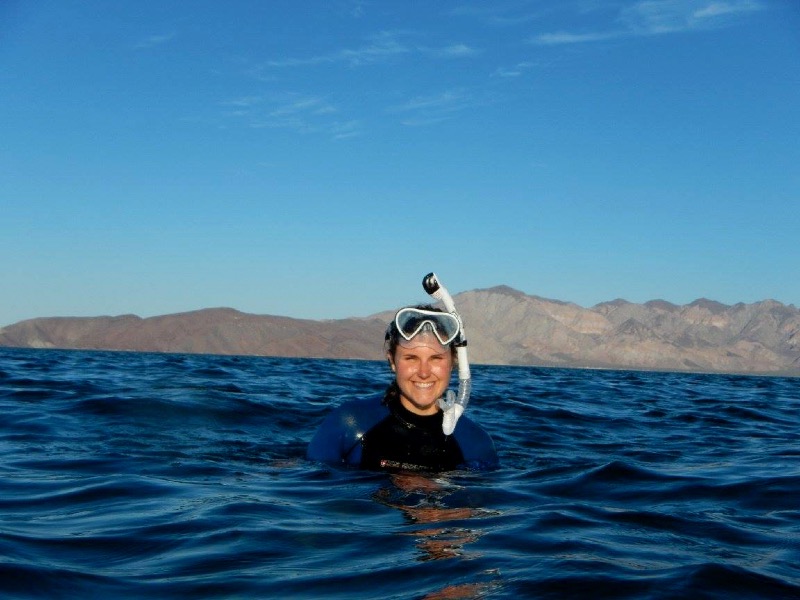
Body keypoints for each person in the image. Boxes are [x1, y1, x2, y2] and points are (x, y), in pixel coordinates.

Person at [307, 304, 498, 472]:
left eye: (436, 358)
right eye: (411, 358)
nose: (424, 373)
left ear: (453, 362)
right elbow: (313, 492)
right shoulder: (349, 422)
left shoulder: (476, 444)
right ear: (392, 361)